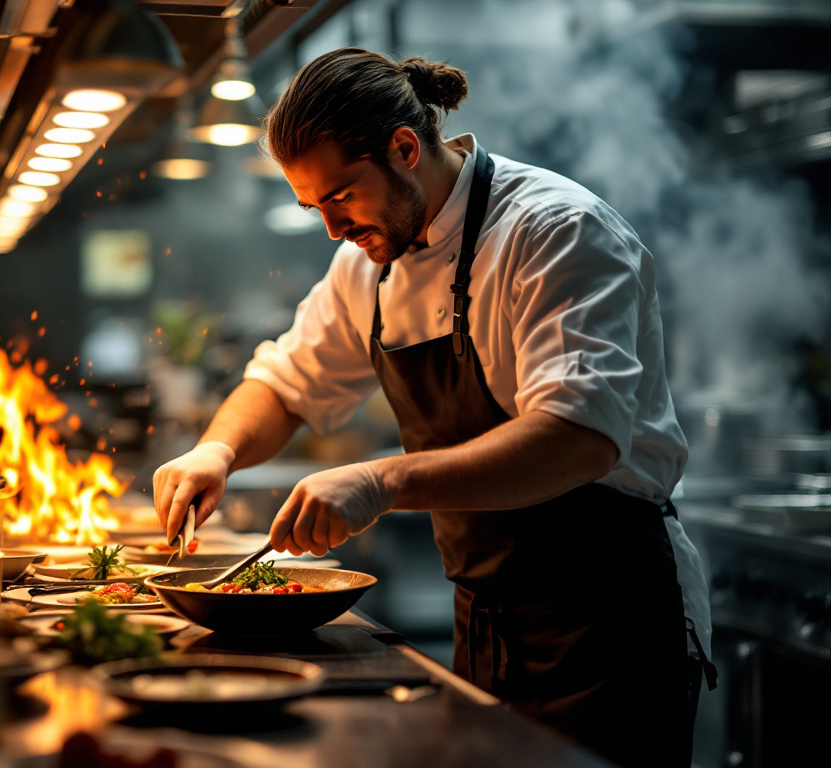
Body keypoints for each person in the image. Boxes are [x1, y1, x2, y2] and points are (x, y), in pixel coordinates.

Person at [153, 47, 717, 768]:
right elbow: (287, 382)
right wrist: (218, 450)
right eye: (313, 207)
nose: (332, 229)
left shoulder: (554, 232)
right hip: (486, 618)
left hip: (607, 622)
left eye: (341, 198)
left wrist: (384, 481)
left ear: (405, 148)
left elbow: (580, 437)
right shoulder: (368, 262)